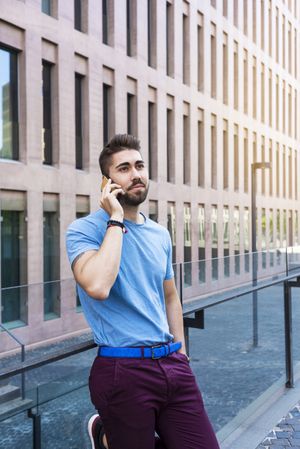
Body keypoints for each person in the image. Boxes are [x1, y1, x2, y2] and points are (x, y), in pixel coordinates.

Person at [66, 134, 220, 449]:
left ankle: (108, 437)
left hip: (173, 366)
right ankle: (108, 435)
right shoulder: (83, 230)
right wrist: (116, 219)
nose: (136, 174)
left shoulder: (159, 234)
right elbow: (97, 285)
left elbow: (170, 297)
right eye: (124, 168)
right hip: (122, 371)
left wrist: (181, 352)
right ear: (106, 182)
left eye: (139, 165)